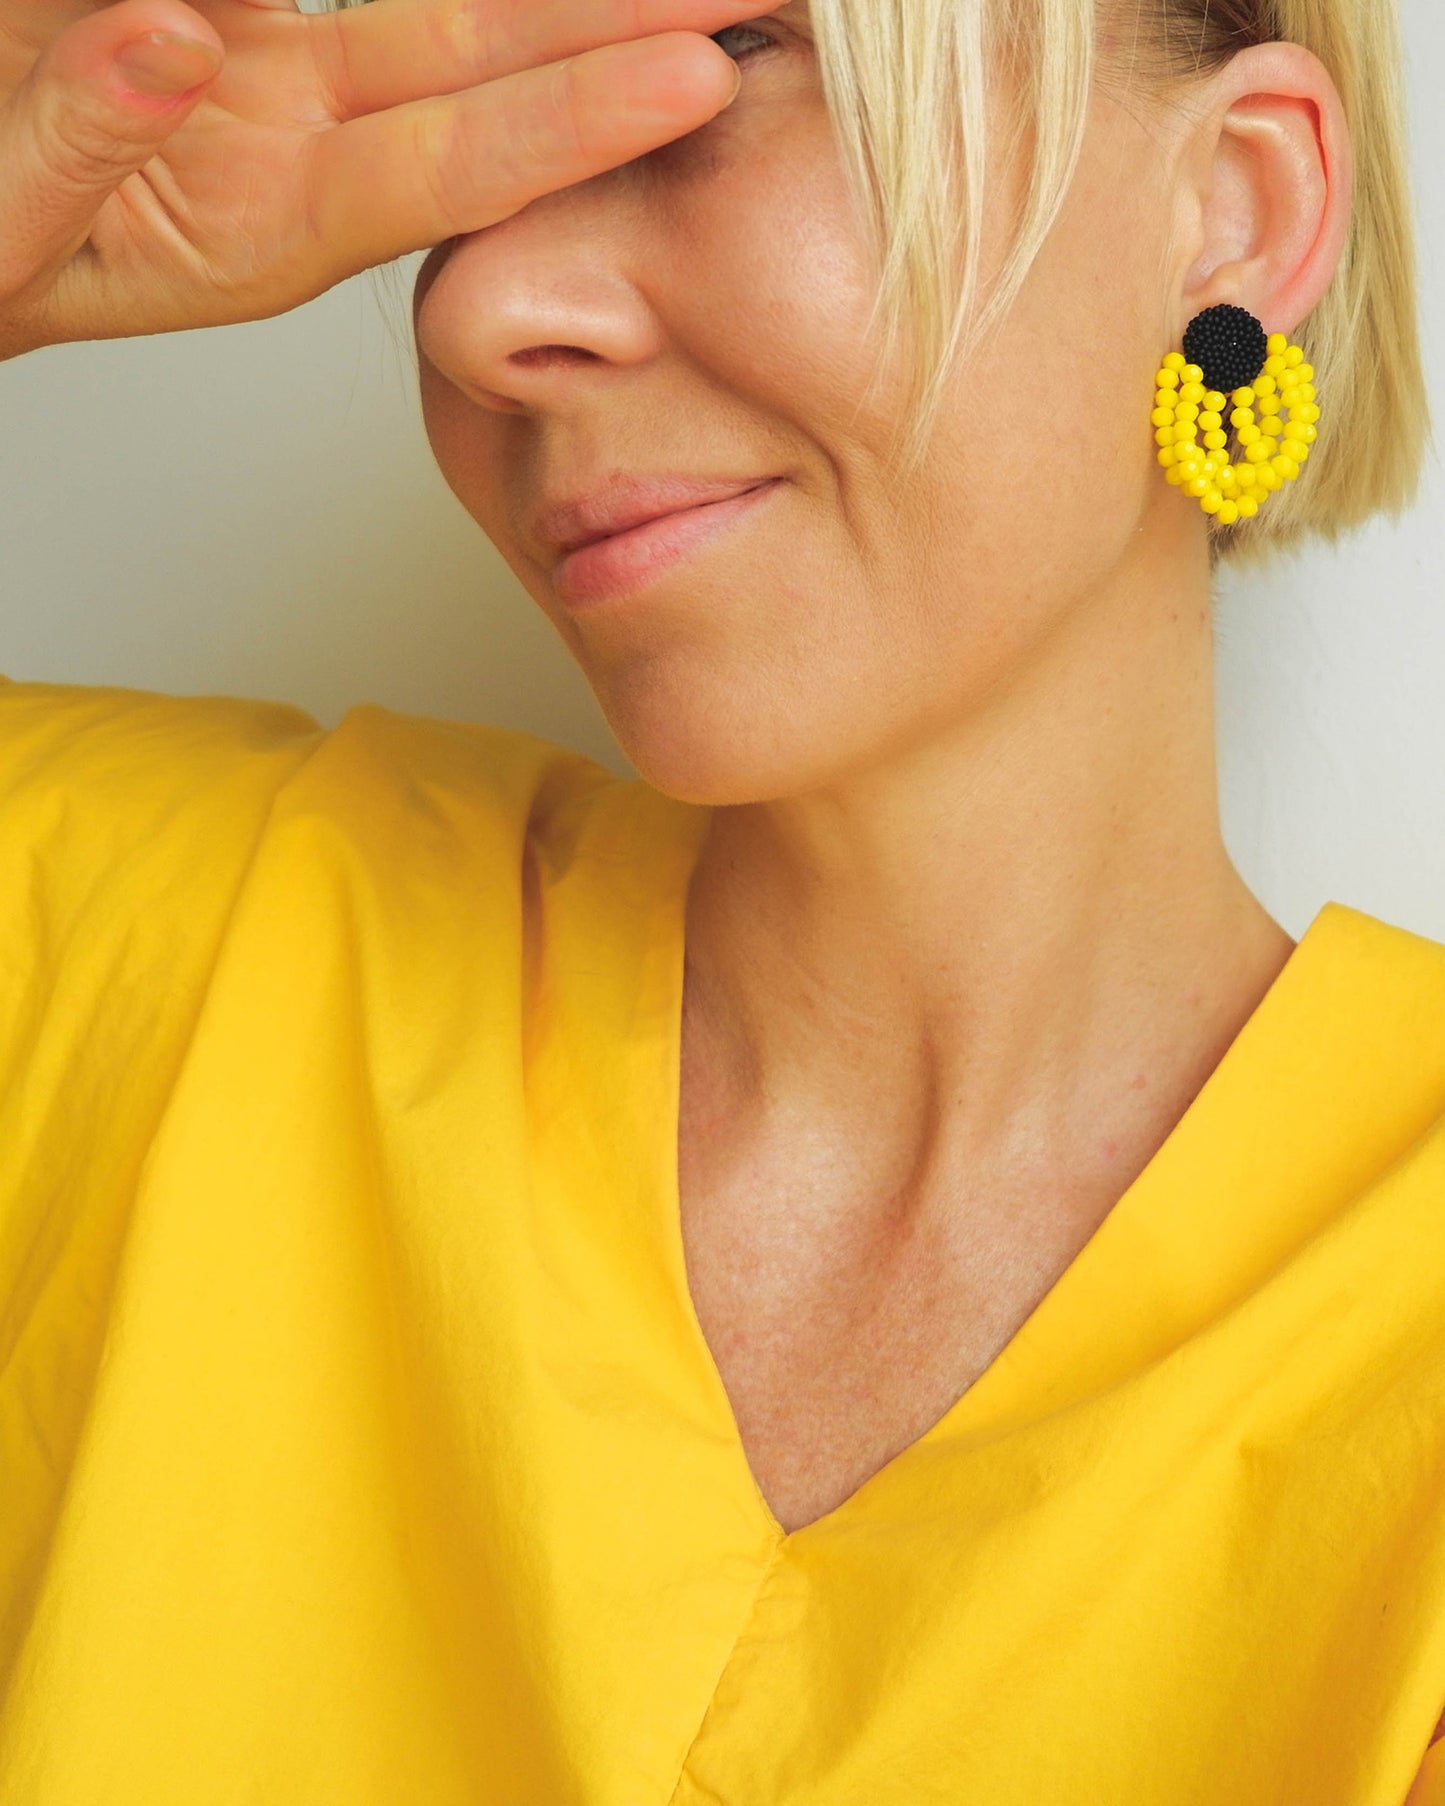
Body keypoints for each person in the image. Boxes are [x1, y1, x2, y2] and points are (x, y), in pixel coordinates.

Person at [0, 0, 1441, 1798]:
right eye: (481, 149)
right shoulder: (145, 942)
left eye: (696, 95)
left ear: (1230, 207)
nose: (472, 315)